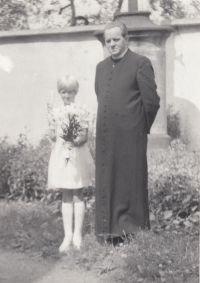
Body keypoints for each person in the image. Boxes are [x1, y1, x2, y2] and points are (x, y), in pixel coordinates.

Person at [94, 22, 160, 244]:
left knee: (129, 181)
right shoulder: (101, 67)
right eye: (108, 40)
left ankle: (132, 232)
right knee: (108, 179)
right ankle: (110, 231)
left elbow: (151, 102)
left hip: (131, 136)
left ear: (126, 38)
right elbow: (100, 96)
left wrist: (138, 128)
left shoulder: (141, 63)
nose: (111, 44)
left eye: (116, 39)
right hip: (105, 137)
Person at [47, 75, 95, 252]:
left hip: (76, 156)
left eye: (70, 92)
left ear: (76, 92)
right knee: (66, 195)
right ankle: (67, 236)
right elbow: (53, 137)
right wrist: (52, 130)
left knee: (77, 194)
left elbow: (84, 136)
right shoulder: (56, 112)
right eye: (63, 92)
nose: (66, 95)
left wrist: (74, 141)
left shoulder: (81, 111)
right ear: (59, 92)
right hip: (61, 156)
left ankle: (78, 235)